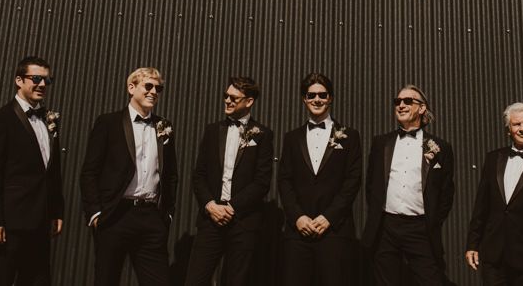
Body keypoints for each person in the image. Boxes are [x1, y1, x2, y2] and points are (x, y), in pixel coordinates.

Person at [80, 67, 178, 286]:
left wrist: (167, 214)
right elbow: (89, 172)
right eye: (148, 86)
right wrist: (96, 213)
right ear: (131, 88)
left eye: (158, 88)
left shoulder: (164, 126)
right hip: (116, 215)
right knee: (107, 279)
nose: (154, 91)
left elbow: (171, 174)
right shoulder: (108, 122)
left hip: (152, 217)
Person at [0, 56, 64, 285]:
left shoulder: (49, 120)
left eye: (47, 80)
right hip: (10, 223)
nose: (42, 85)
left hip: (41, 222)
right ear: (19, 80)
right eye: (36, 78)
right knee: (1, 280)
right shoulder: (0, 119)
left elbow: (52, 171)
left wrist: (56, 211)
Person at [184, 76, 273, 285]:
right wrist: (210, 205)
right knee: (195, 280)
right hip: (210, 219)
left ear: (249, 101)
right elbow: (199, 175)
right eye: (226, 96)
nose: (228, 101)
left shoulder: (262, 135)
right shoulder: (212, 130)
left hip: (243, 222)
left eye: (234, 98)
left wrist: (231, 208)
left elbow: (262, 181)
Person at [362, 84, 454, 285]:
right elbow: (371, 186)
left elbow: (446, 193)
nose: (401, 105)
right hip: (386, 227)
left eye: (407, 101)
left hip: (420, 228)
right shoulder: (381, 143)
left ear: (422, 108)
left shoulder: (441, 148)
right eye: (397, 102)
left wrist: (431, 221)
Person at [277, 72, 362, 285]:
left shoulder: (350, 136)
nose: (317, 100)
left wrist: (329, 217)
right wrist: (298, 217)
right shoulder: (291, 138)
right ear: (304, 99)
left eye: (322, 95)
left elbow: (352, 181)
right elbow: (284, 180)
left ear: (330, 98)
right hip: (298, 232)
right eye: (311, 95)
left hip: (334, 231)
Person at [466, 102, 523, 284]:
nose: (522, 129)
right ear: (508, 129)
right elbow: (482, 204)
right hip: (494, 255)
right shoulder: (493, 158)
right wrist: (472, 244)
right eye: (516, 124)